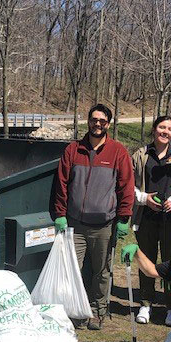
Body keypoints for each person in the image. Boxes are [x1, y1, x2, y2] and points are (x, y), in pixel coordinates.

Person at [51, 103, 134, 330]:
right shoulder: (73, 150)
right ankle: (76, 310)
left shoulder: (118, 151)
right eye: (94, 120)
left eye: (102, 121)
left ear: (108, 123)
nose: (98, 124)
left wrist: (124, 217)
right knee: (72, 271)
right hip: (75, 223)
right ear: (88, 121)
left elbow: (126, 186)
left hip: (103, 225)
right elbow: (61, 184)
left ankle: (98, 311)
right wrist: (60, 214)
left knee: (101, 271)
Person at [130, 116, 171, 327]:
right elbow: (126, 184)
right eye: (161, 127)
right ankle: (146, 303)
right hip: (146, 217)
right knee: (146, 261)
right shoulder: (141, 155)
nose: (165, 131)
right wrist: (143, 199)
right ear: (154, 129)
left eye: (169, 128)